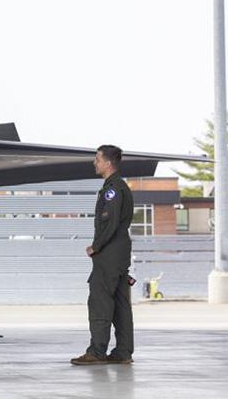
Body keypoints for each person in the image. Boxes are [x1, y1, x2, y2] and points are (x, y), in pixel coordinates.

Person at [71, 145, 135, 365]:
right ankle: (123, 352)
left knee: (100, 301)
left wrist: (96, 246)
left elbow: (110, 221)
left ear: (108, 163)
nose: (94, 162)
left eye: (97, 159)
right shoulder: (119, 186)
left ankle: (97, 351)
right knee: (120, 303)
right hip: (119, 252)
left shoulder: (113, 189)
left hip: (109, 253)